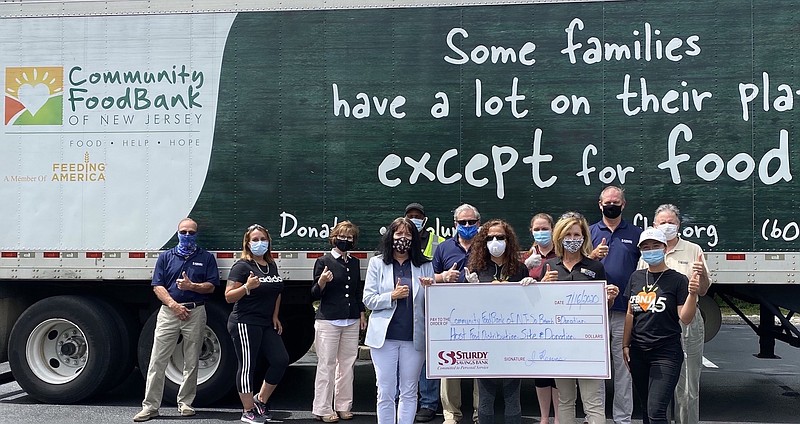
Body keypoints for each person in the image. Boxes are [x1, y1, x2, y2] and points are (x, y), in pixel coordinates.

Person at [134, 218, 220, 422]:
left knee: (191, 360)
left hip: (196, 312)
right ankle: (150, 407)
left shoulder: (206, 258)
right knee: (157, 360)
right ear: (177, 233)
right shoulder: (166, 257)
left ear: (197, 234)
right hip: (169, 313)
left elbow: (212, 286)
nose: (187, 236)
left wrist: (192, 287)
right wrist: (174, 305)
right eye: (184, 232)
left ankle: (186, 403)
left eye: (191, 232)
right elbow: (157, 286)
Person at [540, 214, 618, 424]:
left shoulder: (595, 267)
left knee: (592, 402)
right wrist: (542, 286)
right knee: (565, 400)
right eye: (568, 234)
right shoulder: (550, 268)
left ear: (584, 237)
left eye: (577, 234)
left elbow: (602, 308)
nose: (573, 238)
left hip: (588, 346)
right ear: (559, 236)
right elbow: (539, 309)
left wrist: (609, 298)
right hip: (560, 346)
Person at [623, 227, 700, 424]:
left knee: (657, 411)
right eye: (646, 247)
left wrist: (692, 294)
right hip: (639, 351)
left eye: (655, 246)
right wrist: (625, 345)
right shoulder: (636, 277)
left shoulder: (678, 280)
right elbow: (631, 313)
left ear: (665, 248)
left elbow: (685, 318)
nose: (650, 250)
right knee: (647, 410)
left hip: (666, 352)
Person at [363, 217, 435, 424]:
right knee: (385, 390)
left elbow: (433, 304)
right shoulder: (377, 263)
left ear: (414, 239)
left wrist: (431, 289)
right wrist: (391, 296)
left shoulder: (424, 265)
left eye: (408, 234)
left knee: (410, 390)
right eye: (399, 234)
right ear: (390, 236)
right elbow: (368, 300)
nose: (403, 238)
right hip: (384, 338)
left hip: (414, 338)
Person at [463, 220, 534, 424]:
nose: (495, 241)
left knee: (513, 395)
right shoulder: (476, 268)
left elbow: (528, 306)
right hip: (484, 340)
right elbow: (465, 305)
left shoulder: (519, 269)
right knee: (486, 396)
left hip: (513, 341)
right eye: (490, 237)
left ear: (508, 240)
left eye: (500, 237)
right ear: (483, 242)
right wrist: (471, 287)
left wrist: (529, 285)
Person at [646, 205, 710, 424]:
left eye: (671, 222)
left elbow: (703, 290)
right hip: (658, 324)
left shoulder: (693, 249)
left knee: (687, 388)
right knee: (658, 386)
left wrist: (700, 278)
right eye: (662, 222)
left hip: (688, 323)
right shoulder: (649, 250)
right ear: (654, 226)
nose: (667, 226)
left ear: (679, 225)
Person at [225, 224, 290, 424]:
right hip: (245, 321)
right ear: (247, 243)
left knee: (280, 360)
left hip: (265, 322)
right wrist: (246, 286)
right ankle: (247, 410)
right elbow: (228, 296)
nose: (259, 243)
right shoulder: (242, 266)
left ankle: (260, 400)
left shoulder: (271, 265)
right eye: (255, 239)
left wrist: (275, 316)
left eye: (263, 239)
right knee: (247, 365)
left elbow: (276, 291)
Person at [589, 185, 642, 424]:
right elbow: (576, 266)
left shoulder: (636, 233)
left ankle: (622, 418)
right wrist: (592, 257)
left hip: (624, 311)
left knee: (623, 367)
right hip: (593, 312)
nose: (611, 205)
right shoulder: (588, 233)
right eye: (607, 202)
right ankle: (596, 416)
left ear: (624, 205)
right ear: (600, 205)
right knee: (596, 367)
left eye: (616, 202)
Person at [311, 221, 367, 422]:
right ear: (334, 238)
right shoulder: (323, 260)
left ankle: (343, 405)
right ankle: (322, 408)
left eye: (349, 237)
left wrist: (361, 312)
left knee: (347, 364)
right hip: (328, 320)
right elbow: (314, 294)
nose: (345, 240)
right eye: (342, 236)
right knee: (326, 365)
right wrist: (322, 281)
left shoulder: (353, 262)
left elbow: (356, 291)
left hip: (350, 319)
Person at [433, 204, 481, 424]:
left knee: (481, 363)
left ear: (478, 223)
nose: (468, 226)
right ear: (455, 224)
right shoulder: (443, 248)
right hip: (451, 315)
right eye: (463, 223)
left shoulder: (486, 246)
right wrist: (444, 277)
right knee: (450, 364)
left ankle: (481, 411)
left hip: (481, 315)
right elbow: (430, 278)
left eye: (472, 222)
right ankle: (451, 414)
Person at [403, 203, 445, 423]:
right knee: (407, 357)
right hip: (404, 305)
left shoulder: (436, 241)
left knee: (427, 358)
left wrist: (435, 279)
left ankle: (428, 403)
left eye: (418, 216)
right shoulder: (399, 239)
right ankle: (407, 400)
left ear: (425, 219)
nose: (414, 219)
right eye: (410, 216)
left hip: (429, 304)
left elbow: (438, 270)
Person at [522, 213, 559, 424]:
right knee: (541, 371)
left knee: (557, 372)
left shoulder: (560, 254)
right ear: (531, 231)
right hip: (534, 322)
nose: (541, 232)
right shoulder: (526, 256)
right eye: (537, 229)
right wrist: (524, 270)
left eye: (545, 228)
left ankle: (558, 417)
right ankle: (544, 417)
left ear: (553, 229)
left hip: (557, 320)